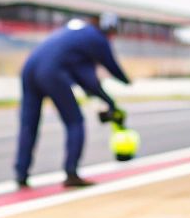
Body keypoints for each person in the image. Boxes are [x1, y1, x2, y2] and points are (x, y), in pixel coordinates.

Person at [14, 12, 131, 190]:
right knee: (75, 121)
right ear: (111, 29)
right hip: (51, 72)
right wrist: (124, 85)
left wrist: (104, 99)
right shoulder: (97, 39)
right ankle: (71, 173)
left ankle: (21, 174)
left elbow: (83, 79)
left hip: (29, 67)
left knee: (29, 124)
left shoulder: (77, 32)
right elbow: (101, 74)